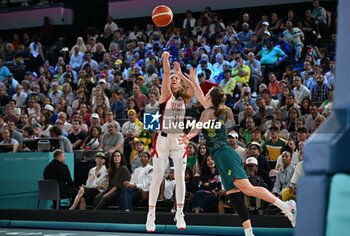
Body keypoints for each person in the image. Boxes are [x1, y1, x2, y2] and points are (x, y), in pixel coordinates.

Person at [179, 72, 296, 235]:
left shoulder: (208, 112)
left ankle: (286, 206)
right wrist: (188, 78)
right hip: (221, 157)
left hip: (225, 154)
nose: (203, 95)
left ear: (210, 98)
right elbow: (199, 94)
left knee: (247, 189)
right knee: (234, 197)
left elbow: (198, 126)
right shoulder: (211, 109)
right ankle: (249, 233)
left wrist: (188, 136)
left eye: (206, 94)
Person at [146, 52, 194, 232]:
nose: (173, 79)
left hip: (179, 140)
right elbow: (166, 75)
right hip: (163, 140)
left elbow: (192, 89)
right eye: (172, 78)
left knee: (180, 177)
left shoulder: (184, 97)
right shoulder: (165, 95)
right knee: (157, 177)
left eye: (176, 79)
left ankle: (180, 212)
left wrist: (181, 74)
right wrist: (165, 60)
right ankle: (151, 215)